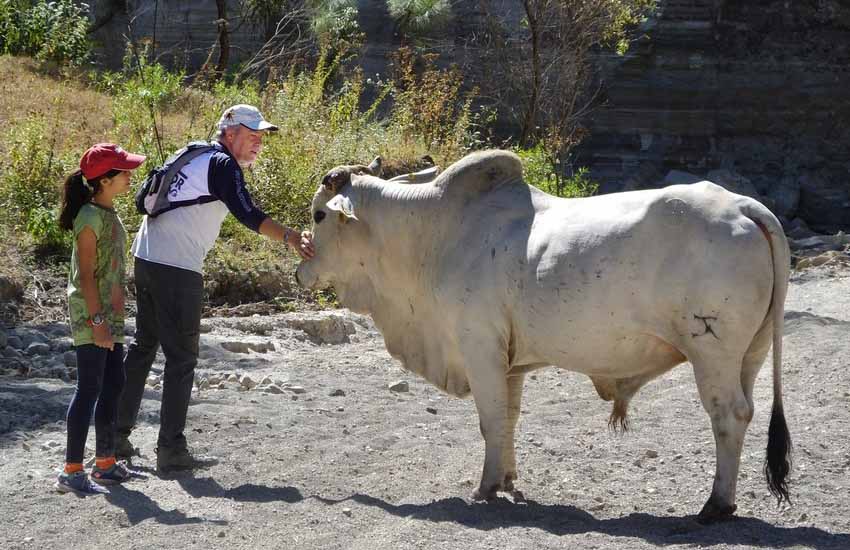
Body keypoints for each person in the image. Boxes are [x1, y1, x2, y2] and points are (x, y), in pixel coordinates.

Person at [116, 104, 314, 471]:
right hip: (176, 267)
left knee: (145, 346)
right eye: (251, 135)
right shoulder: (223, 164)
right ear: (229, 133)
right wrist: (290, 237)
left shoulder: (195, 154)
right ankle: (171, 450)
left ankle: (116, 435)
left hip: (146, 257)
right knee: (182, 359)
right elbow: (248, 214)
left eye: (260, 137)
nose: (258, 143)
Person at [56, 144, 148, 496]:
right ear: (105, 181)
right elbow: (86, 278)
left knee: (114, 383)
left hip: (110, 316)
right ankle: (71, 470)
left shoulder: (108, 213)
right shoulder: (89, 219)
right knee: (90, 388)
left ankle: (105, 463)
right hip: (91, 316)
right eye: (123, 173)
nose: (129, 177)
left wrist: (110, 319)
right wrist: (96, 321)